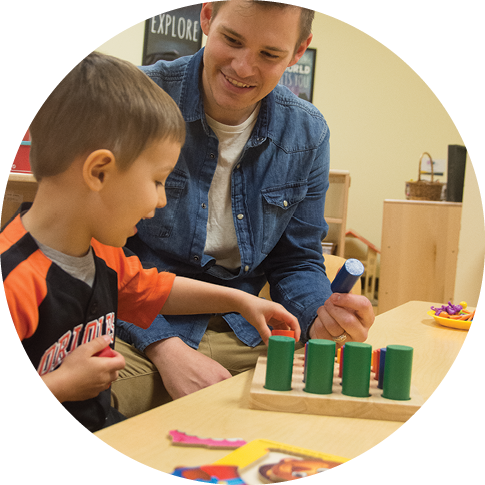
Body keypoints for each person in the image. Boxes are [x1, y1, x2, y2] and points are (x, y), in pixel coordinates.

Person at [0, 51, 300, 432]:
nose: (161, 200)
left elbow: (155, 289)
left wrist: (240, 300)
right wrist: (59, 386)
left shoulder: (102, 255)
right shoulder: (13, 282)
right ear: (100, 171)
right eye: (158, 181)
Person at [114, 0, 375, 415]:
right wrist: (165, 348)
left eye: (270, 55)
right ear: (206, 17)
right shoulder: (140, 99)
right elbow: (103, 254)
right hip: (140, 328)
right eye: (231, 40)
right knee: (89, 399)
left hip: (247, 331)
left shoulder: (308, 131)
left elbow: (297, 260)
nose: (243, 68)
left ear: (298, 50)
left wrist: (320, 317)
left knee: (328, 415)